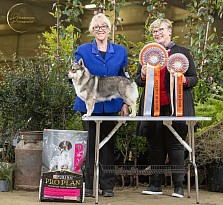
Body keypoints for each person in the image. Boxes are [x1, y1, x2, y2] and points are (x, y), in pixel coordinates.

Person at [135, 18, 198, 198]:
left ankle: (178, 187)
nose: (157, 33)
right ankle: (156, 185)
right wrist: (143, 74)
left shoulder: (182, 52)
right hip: (153, 109)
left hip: (177, 108)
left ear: (169, 31)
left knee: (176, 146)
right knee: (155, 147)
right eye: (154, 31)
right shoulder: (148, 54)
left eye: (160, 29)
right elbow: (138, 81)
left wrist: (183, 80)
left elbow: (194, 78)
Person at [73, 13, 129, 197]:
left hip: (112, 106)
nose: (100, 30)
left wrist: (125, 103)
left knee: (108, 146)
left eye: (103, 27)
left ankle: (107, 186)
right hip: (89, 107)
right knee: (90, 147)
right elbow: (73, 75)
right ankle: (89, 186)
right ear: (92, 30)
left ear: (109, 29)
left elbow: (124, 79)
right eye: (96, 27)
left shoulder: (120, 51)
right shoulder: (82, 50)